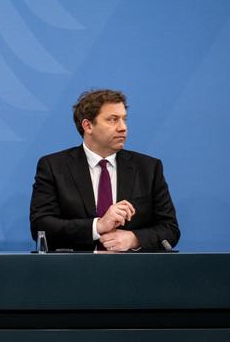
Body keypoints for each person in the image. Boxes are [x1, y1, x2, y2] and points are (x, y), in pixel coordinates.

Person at [30, 89, 180, 252]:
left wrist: (134, 238)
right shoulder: (54, 166)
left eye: (124, 119)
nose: (123, 128)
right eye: (113, 120)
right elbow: (41, 227)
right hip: (75, 266)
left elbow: (170, 229)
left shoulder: (148, 168)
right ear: (88, 126)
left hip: (133, 266)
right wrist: (97, 226)